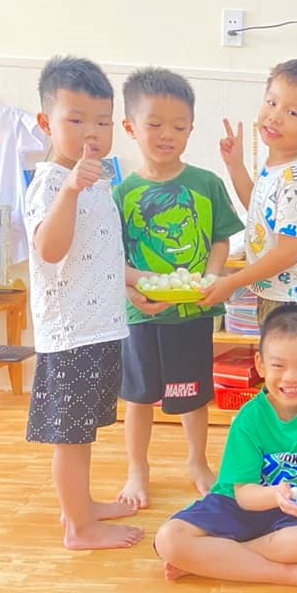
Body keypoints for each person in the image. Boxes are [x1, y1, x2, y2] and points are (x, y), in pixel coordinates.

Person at [153, 304, 297, 583]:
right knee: (169, 539)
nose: (291, 377)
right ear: (260, 364)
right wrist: (277, 495)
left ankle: (218, 558)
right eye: (278, 365)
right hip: (241, 505)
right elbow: (244, 494)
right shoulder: (248, 418)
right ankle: (293, 575)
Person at [25, 55, 143, 550]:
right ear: (45, 122)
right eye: (76, 121)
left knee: (84, 432)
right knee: (70, 439)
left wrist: (137, 286)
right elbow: (50, 250)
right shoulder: (52, 183)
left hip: (100, 327)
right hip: (71, 333)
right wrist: (71, 190)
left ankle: (82, 505)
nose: (91, 133)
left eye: (101, 122)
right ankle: (78, 527)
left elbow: (99, 256)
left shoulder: (97, 181)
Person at [113, 67, 244, 509]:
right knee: (138, 396)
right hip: (141, 315)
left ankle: (197, 462)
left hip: (193, 311)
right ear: (130, 126)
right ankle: (137, 469)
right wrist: (132, 290)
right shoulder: (121, 194)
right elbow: (113, 258)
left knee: (193, 394)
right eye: (154, 124)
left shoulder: (206, 184)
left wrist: (212, 274)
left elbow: (222, 238)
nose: (167, 135)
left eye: (179, 126)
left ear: (191, 128)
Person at [199, 57, 297, 322]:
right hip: (275, 294)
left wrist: (233, 281)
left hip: (292, 304)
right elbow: (258, 207)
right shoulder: (277, 166)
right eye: (272, 103)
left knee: (283, 352)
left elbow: (289, 251)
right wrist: (235, 165)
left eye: (292, 113)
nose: (275, 117)